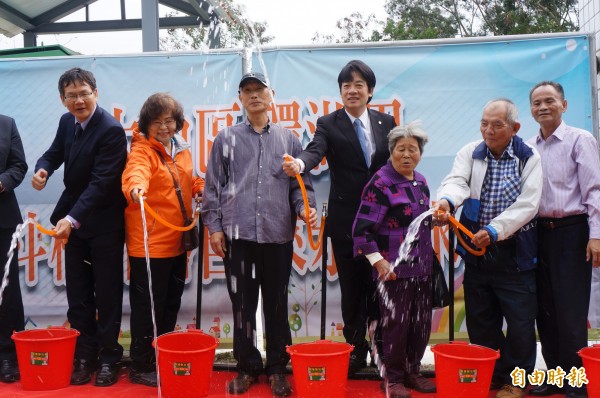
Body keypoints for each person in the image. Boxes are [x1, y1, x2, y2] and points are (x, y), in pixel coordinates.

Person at [202, 72, 316, 397]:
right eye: (247, 91)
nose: (254, 96)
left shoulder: (289, 140)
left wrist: (303, 208)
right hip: (238, 238)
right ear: (240, 97)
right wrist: (214, 228)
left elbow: (299, 187)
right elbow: (213, 187)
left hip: (278, 236)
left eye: (259, 90)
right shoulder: (225, 139)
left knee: (277, 305)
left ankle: (278, 368)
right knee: (243, 306)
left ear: (271, 95)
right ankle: (247, 367)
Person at [282, 60, 396, 375]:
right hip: (347, 223)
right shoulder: (329, 124)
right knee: (352, 290)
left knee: (382, 289)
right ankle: (356, 350)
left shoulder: (387, 123)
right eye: (347, 86)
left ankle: (382, 350)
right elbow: (313, 151)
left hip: (383, 224)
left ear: (370, 91)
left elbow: (399, 161)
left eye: (359, 85)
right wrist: (300, 165)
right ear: (341, 92)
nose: (352, 90)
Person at [436, 99, 542, 398]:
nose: (489, 130)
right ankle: (493, 374)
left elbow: (529, 203)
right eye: (484, 123)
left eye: (497, 125)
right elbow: (457, 181)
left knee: (521, 322)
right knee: (482, 320)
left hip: (514, 252)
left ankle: (517, 379)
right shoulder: (471, 152)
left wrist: (495, 230)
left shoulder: (528, 156)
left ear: (514, 128)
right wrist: (446, 200)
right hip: (476, 251)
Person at [31, 68, 127, 387]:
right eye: (71, 96)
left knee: (108, 293)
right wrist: (43, 170)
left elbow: (102, 184)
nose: (78, 100)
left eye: (84, 93)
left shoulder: (111, 130)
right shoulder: (66, 122)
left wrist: (71, 219)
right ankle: (85, 356)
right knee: (79, 294)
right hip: (73, 223)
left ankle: (110, 358)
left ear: (96, 93)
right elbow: (54, 153)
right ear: (63, 100)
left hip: (103, 225)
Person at [121, 93, 204, 387]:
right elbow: (135, 174)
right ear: (146, 125)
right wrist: (136, 190)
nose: (164, 127)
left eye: (169, 120)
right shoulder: (142, 150)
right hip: (149, 245)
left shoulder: (181, 150)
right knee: (148, 307)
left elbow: (186, 180)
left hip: (177, 242)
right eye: (156, 122)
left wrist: (200, 187)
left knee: (170, 303)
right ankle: (141, 364)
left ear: (177, 122)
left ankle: (161, 356)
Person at [526, 81, 600, 398]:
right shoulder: (527, 147)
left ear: (564, 105)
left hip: (573, 231)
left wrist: (596, 235)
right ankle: (557, 377)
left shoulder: (580, 140)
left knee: (570, 312)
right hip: (538, 233)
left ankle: (576, 382)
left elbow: (594, 191)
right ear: (530, 109)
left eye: (549, 101)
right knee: (546, 310)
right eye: (537, 102)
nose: (543, 107)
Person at [352, 121, 435, 398]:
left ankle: (412, 371)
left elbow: (417, 222)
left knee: (420, 324)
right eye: (401, 149)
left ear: (420, 153)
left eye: (412, 149)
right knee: (396, 326)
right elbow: (361, 230)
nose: (407, 155)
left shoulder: (421, 181)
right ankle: (393, 378)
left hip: (422, 268)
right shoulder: (380, 182)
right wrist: (379, 262)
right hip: (393, 271)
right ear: (391, 151)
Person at [0, 115, 27, 384]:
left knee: (7, 289)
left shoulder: (6, 124)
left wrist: (2, 182)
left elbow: (19, 166)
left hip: (3, 221)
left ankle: (7, 354)